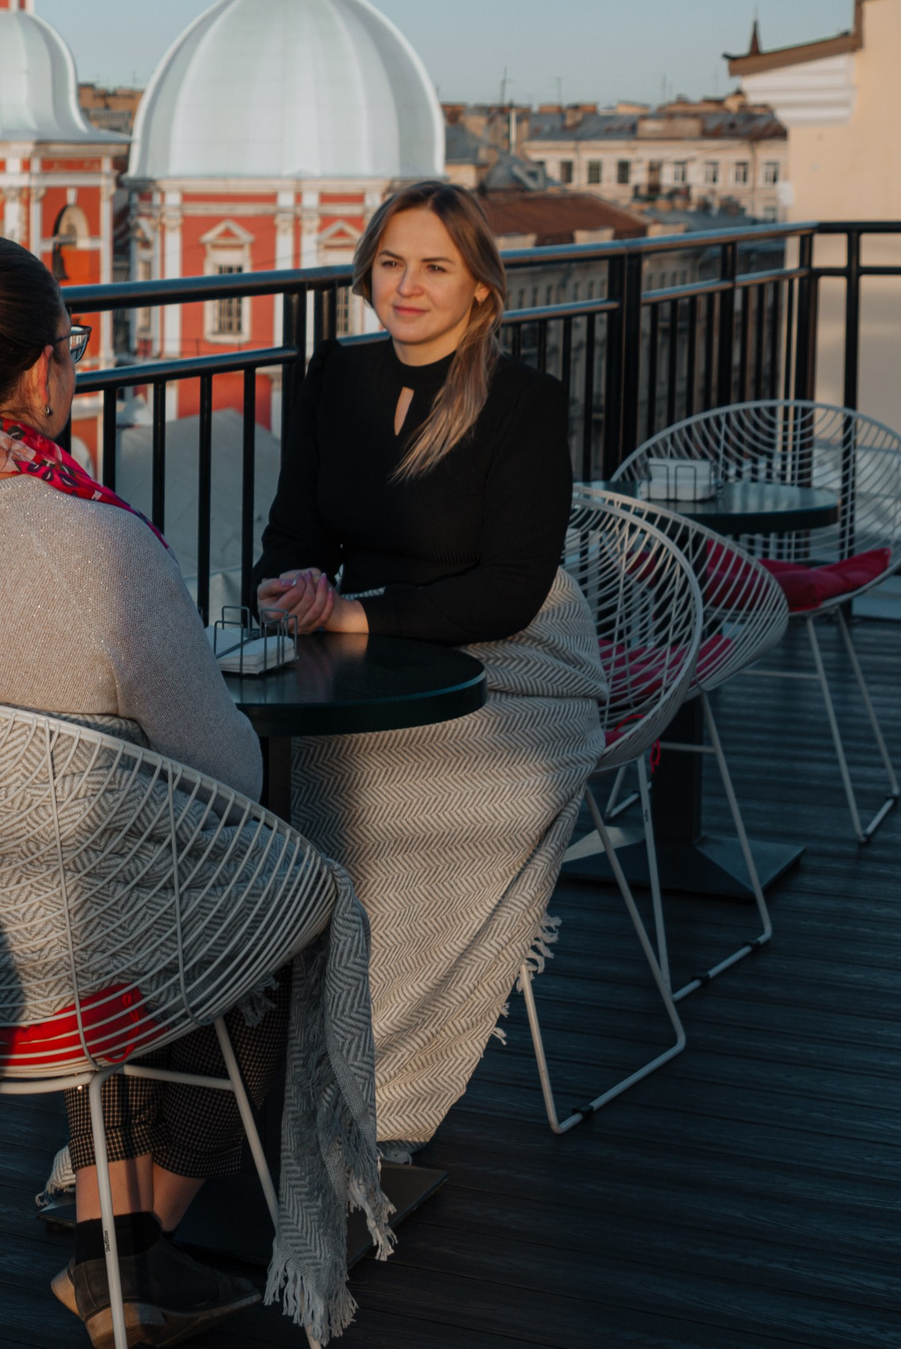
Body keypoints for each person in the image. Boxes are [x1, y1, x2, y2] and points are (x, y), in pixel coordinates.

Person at [0, 234, 281, 1349]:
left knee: (116, 883)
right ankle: (121, 1253)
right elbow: (228, 773)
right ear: (38, 372)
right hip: (71, 960)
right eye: (72, 345)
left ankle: (119, 1241)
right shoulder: (97, 544)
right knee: (289, 904)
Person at [252, 180, 606, 1150]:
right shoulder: (335, 375)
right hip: (361, 645)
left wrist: (357, 614)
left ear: (480, 290)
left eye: (435, 267)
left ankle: (379, 1084)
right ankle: (260, 1058)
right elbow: (293, 530)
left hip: (515, 650)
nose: (407, 286)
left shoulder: (525, 402)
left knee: (401, 804)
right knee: (259, 781)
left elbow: (509, 587)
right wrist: (281, 592)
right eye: (392, 261)